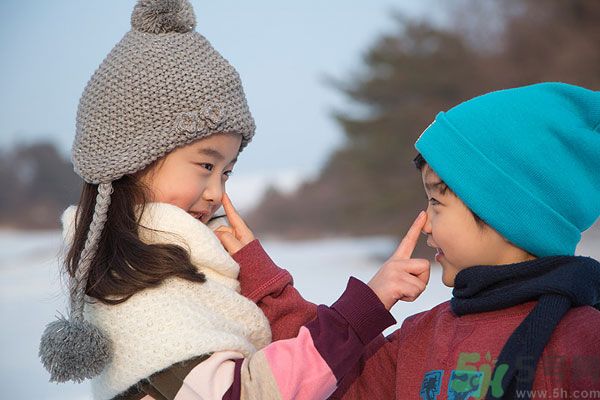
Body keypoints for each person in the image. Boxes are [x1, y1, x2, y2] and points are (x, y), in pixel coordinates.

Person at [38, 1, 433, 399]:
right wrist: (364, 307)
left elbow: (320, 374)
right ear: (132, 159)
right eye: (206, 165)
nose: (217, 193)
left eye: (227, 171)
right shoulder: (142, 295)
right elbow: (255, 391)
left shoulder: (180, 265)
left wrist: (260, 278)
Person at [221, 82, 600, 398]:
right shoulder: (419, 339)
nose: (427, 226)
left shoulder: (584, 340)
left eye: (437, 201)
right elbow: (332, 379)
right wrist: (264, 277)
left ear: (506, 210)